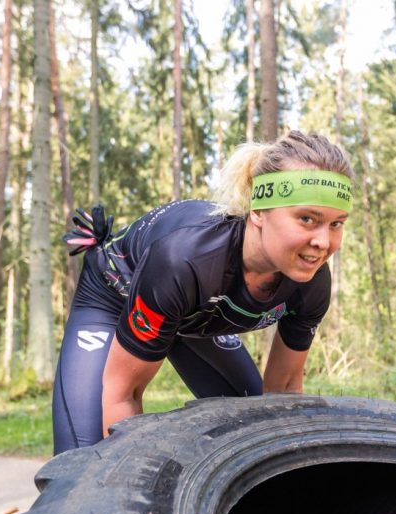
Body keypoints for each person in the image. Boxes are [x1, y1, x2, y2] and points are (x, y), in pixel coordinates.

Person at [51, 130, 354, 455]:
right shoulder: (185, 260)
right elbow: (122, 394)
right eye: (307, 219)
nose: (323, 243)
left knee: (254, 426)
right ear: (258, 212)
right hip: (115, 297)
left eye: (336, 224)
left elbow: (284, 390)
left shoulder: (311, 280)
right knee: (83, 457)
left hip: (194, 311)